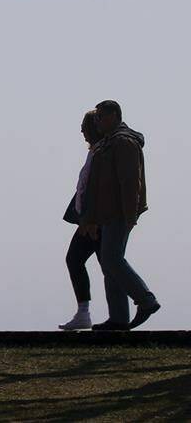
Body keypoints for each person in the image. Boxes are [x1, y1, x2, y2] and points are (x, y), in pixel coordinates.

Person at [79, 99, 159, 331]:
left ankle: (145, 300)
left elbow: (130, 181)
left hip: (118, 212)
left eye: (100, 117)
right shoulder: (109, 143)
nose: (97, 122)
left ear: (113, 115)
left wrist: (129, 213)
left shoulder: (123, 142)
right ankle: (119, 318)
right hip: (108, 213)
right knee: (109, 262)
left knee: (112, 259)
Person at [59, 110, 103, 330]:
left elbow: (97, 189)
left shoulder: (102, 153)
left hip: (95, 220)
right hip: (88, 219)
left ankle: (142, 301)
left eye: (85, 126)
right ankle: (84, 312)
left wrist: (91, 219)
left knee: (107, 264)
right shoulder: (94, 152)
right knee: (77, 260)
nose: (81, 131)